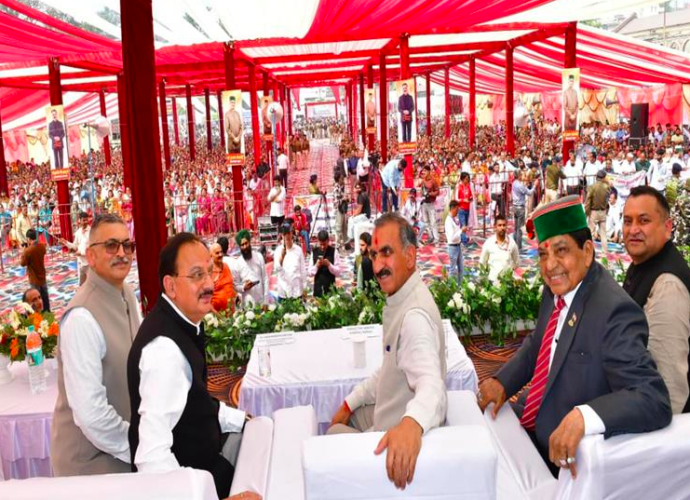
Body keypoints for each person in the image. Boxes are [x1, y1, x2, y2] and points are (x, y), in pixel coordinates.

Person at [478, 195, 672, 478]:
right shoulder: (557, 288)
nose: (550, 266)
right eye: (543, 254)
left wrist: (585, 416)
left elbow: (652, 397)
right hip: (533, 421)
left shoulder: (614, 312)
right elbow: (539, 344)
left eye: (561, 251)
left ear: (588, 251)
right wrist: (502, 382)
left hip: (564, 458)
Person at [127, 233, 257, 500]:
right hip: (195, 484)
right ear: (171, 286)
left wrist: (241, 419)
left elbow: (196, 403)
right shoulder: (164, 351)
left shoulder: (183, 324)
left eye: (210, 272)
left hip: (205, 464)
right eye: (197, 275)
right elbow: (151, 457)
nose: (209, 283)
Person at [328, 213, 446, 491]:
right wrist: (349, 403)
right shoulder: (402, 297)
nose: (378, 265)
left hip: (395, 425)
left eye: (386, 253)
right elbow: (391, 366)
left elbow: (432, 385)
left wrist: (411, 424)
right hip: (390, 411)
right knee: (348, 414)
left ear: (410, 256)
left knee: (331, 435)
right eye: (374, 255)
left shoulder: (413, 317)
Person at [52, 213, 140, 476]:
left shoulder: (126, 294)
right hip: (91, 463)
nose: (122, 253)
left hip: (126, 447)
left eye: (127, 245)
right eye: (111, 245)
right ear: (90, 256)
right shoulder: (81, 317)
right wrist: (141, 445)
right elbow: (91, 415)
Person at [623, 186, 690, 414]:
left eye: (644, 221)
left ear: (667, 227)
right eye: (627, 221)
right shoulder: (644, 263)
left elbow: (669, 385)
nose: (633, 230)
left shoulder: (668, 285)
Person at [232, 229, 269, 307]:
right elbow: (235, 285)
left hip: (261, 302)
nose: (245, 247)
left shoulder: (259, 256)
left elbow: (265, 279)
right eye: (242, 245)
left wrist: (266, 301)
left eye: (246, 243)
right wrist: (244, 287)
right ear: (240, 247)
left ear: (249, 242)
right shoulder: (237, 263)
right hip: (247, 304)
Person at [479, 215, 519, 281]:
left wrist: (509, 272)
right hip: (492, 282)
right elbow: (482, 264)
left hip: (507, 282)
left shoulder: (512, 243)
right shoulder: (488, 243)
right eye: (499, 225)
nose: (502, 228)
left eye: (504, 225)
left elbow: (516, 262)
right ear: (495, 227)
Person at [274, 222, 307, 300]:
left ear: (292, 233)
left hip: (297, 291)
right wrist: (282, 257)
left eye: (289, 233)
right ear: (281, 235)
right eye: (284, 234)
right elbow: (276, 270)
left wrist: (304, 288)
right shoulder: (278, 251)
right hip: (283, 292)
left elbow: (303, 271)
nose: (287, 236)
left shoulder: (298, 250)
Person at [20, 228, 50, 312]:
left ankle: (38, 315)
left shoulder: (28, 251)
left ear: (29, 239)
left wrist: (24, 251)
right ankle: (48, 312)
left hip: (34, 278)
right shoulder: (42, 246)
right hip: (42, 275)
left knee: (35, 299)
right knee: (45, 297)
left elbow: (22, 263)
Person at [60, 211, 91, 285]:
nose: (86, 222)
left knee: (91, 283)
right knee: (81, 283)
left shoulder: (91, 232)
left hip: (89, 263)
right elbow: (75, 246)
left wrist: (82, 253)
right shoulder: (78, 232)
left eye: (87, 220)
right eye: (84, 220)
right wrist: (65, 242)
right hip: (80, 262)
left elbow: (93, 247)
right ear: (79, 220)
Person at [584, 170, 611, 254]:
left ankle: (589, 252)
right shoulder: (607, 187)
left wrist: (586, 213)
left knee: (591, 233)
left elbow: (588, 201)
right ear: (603, 177)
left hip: (594, 212)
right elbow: (607, 200)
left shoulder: (592, 187)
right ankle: (605, 252)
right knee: (603, 234)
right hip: (603, 211)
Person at [309, 230, 341, 297]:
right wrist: (316, 266)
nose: (322, 247)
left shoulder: (334, 251)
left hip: (331, 289)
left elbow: (338, 272)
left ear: (328, 241)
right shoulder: (314, 252)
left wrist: (329, 265)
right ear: (318, 241)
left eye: (324, 244)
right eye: (321, 244)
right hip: (318, 289)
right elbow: (310, 273)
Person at [512, 170, 538, 251]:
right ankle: (518, 247)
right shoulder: (519, 185)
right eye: (521, 175)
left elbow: (523, 189)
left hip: (515, 206)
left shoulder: (514, 183)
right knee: (519, 228)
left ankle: (514, 245)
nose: (522, 176)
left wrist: (525, 185)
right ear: (519, 176)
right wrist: (535, 186)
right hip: (520, 207)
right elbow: (529, 193)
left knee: (516, 228)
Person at [210, 243, 237, 314]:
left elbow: (230, 285)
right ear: (211, 255)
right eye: (217, 253)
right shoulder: (209, 271)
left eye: (221, 252)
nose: (220, 254)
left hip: (230, 313)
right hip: (216, 315)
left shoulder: (226, 266)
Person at [346, 182, 371, 248]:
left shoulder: (361, 196)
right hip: (365, 215)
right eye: (356, 188)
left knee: (351, 220)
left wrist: (353, 215)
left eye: (359, 187)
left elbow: (359, 210)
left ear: (361, 188)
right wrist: (354, 214)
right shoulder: (363, 194)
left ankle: (351, 238)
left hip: (365, 216)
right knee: (352, 220)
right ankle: (352, 237)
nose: (357, 189)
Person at [445, 201, 464, 282]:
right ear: (452, 209)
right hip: (452, 247)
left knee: (461, 268)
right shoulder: (448, 221)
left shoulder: (455, 218)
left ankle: (461, 285)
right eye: (456, 209)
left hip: (458, 245)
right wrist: (461, 231)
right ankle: (450, 287)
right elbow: (452, 238)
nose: (458, 211)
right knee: (452, 270)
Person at [420, 166, 440, 243]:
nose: (424, 172)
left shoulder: (433, 181)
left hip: (431, 204)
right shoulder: (423, 181)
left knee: (433, 221)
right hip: (424, 203)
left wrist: (430, 194)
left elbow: (438, 192)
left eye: (425, 171)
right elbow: (421, 191)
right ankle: (430, 236)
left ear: (429, 171)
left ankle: (436, 238)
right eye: (423, 171)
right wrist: (423, 193)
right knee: (426, 222)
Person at [456, 172, 473, 246]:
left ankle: (462, 239)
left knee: (465, 225)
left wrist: (471, 198)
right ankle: (464, 241)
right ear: (462, 179)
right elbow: (456, 199)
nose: (467, 180)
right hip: (461, 209)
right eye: (466, 179)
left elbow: (470, 195)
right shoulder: (459, 187)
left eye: (468, 179)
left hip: (467, 208)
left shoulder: (468, 186)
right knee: (463, 225)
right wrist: (463, 200)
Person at [333, 173, 348, 250]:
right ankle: (338, 245)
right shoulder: (336, 188)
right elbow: (336, 201)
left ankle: (346, 243)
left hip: (343, 209)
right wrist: (343, 199)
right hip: (339, 209)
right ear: (338, 179)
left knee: (344, 227)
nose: (343, 180)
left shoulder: (342, 187)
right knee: (339, 228)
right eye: (342, 178)